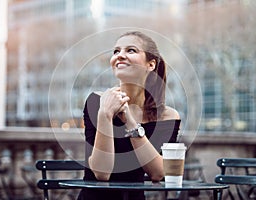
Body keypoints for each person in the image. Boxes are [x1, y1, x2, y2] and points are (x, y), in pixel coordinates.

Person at [77, 31, 181, 200]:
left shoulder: (167, 116)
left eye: (131, 50)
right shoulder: (96, 101)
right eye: (116, 51)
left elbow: (158, 173)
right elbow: (102, 173)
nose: (120, 56)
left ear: (151, 64)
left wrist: (130, 122)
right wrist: (105, 114)